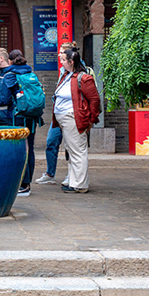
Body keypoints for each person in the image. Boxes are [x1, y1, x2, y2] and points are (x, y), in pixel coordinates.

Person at [53, 48, 101, 194]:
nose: (61, 62)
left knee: (77, 151)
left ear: (71, 61)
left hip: (73, 118)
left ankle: (79, 184)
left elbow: (94, 100)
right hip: (65, 119)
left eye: (63, 60)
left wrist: (91, 120)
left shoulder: (83, 78)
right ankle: (74, 181)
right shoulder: (67, 76)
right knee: (72, 150)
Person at [35, 41, 79, 186]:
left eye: (62, 52)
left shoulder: (80, 70)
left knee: (71, 146)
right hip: (58, 114)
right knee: (51, 141)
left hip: (71, 115)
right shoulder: (62, 70)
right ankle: (50, 173)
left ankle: (71, 175)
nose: (59, 54)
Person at [6, 49, 43, 197]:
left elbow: (5, 97)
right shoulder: (31, 74)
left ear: (10, 61)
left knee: (20, 148)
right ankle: (27, 183)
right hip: (32, 117)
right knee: (31, 148)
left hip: (18, 116)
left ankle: (21, 184)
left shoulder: (10, 75)